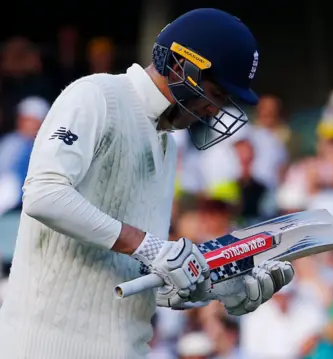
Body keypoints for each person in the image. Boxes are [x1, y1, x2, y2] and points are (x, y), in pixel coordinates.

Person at [0, 8, 294, 359]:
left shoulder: (166, 142)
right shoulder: (97, 95)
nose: (215, 110)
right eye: (215, 93)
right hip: (47, 346)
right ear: (182, 66)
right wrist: (148, 246)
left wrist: (215, 288)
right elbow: (43, 195)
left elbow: (130, 271)